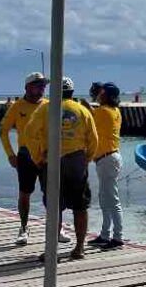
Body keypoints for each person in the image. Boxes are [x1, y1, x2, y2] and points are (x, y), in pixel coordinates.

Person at [25, 77, 98, 260]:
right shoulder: (82, 110)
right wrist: (87, 158)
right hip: (76, 160)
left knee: (53, 207)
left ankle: (52, 250)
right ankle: (79, 247)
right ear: (72, 93)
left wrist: (37, 157)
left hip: (52, 160)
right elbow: (94, 139)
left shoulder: (45, 109)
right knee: (80, 206)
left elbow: (29, 133)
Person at [0, 72, 69, 245]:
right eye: (38, 85)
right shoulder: (17, 106)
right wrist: (10, 154)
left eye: (44, 85)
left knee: (53, 193)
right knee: (25, 193)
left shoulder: (48, 105)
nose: (42, 88)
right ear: (27, 87)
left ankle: (58, 228)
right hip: (25, 155)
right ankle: (23, 228)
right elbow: (3, 130)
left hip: (46, 154)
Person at [88, 82, 123, 249]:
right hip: (108, 158)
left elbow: (88, 119)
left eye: (100, 93)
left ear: (105, 95)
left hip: (107, 159)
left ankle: (117, 237)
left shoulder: (102, 112)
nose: (98, 95)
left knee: (111, 199)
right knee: (105, 198)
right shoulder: (115, 110)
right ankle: (104, 234)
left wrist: (86, 107)